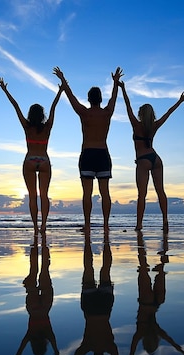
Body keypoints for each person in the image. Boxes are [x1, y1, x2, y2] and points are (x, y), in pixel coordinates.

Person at [53, 66, 123, 232]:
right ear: (100, 98)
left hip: (88, 154)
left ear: (89, 98)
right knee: (105, 192)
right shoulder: (107, 113)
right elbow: (114, 98)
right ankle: (106, 225)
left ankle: (87, 224)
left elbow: (71, 98)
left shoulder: (84, 113)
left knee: (87, 193)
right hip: (103, 154)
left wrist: (63, 80)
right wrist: (115, 83)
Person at [57, 233, 127, 355]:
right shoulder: (87, 347)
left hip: (104, 308)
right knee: (88, 268)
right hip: (89, 308)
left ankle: (106, 241)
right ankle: (88, 241)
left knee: (105, 269)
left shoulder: (109, 347)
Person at [119, 81, 184, 232]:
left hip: (143, 161)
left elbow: (127, 105)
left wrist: (122, 88)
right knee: (161, 191)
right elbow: (168, 113)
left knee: (142, 195)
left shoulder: (136, 125)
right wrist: (180, 101)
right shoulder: (155, 125)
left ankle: (139, 224)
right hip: (155, 158)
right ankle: (165, 220)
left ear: (140, 114)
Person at [123, 232, 184, 355]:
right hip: (151, 301)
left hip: (152, 301)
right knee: (146, 268)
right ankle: (157, 251)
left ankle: (154, 248)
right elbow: (171, 342)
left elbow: (132, 351)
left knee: (147, 268)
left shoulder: (144, 332)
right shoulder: (149, 332)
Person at [0, 78, 63, 234]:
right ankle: (44, 225)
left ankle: (35, 227)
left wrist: (6, 90)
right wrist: (60, 91)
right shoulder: (47, 126)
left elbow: (16, 107)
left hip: (30, 160)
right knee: (44, 196)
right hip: (44, 160)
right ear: (42, 115)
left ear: (30, 114)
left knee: (32, 197)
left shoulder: (26, 126)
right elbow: (54, 108)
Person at [1, 235, 66, 355]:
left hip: (45, 308)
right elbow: (18, 354)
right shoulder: (29, 336)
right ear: (34, 346)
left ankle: (43, 245)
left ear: (43, 346)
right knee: (33, 271)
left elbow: (57, 353)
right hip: (32, 307)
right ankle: (35, 246)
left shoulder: (48, 335)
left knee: (44, 270)